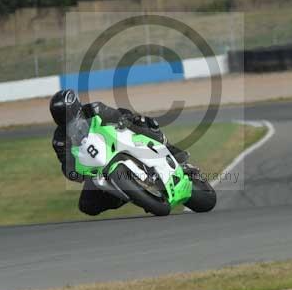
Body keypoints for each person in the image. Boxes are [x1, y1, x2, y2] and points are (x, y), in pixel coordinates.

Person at [50, 89, 190, 215]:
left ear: (75, 107)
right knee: (86, 206)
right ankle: (126, 196)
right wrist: (74, 173)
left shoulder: (94, 109)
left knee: (140, 122)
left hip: (115, 140)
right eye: (60, 116)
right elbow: (65, 164)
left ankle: (170, 149)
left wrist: (125, 118)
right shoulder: (59, 140)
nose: (64, 117)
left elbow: (116, 114)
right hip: (95, 166)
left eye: (66, 113)